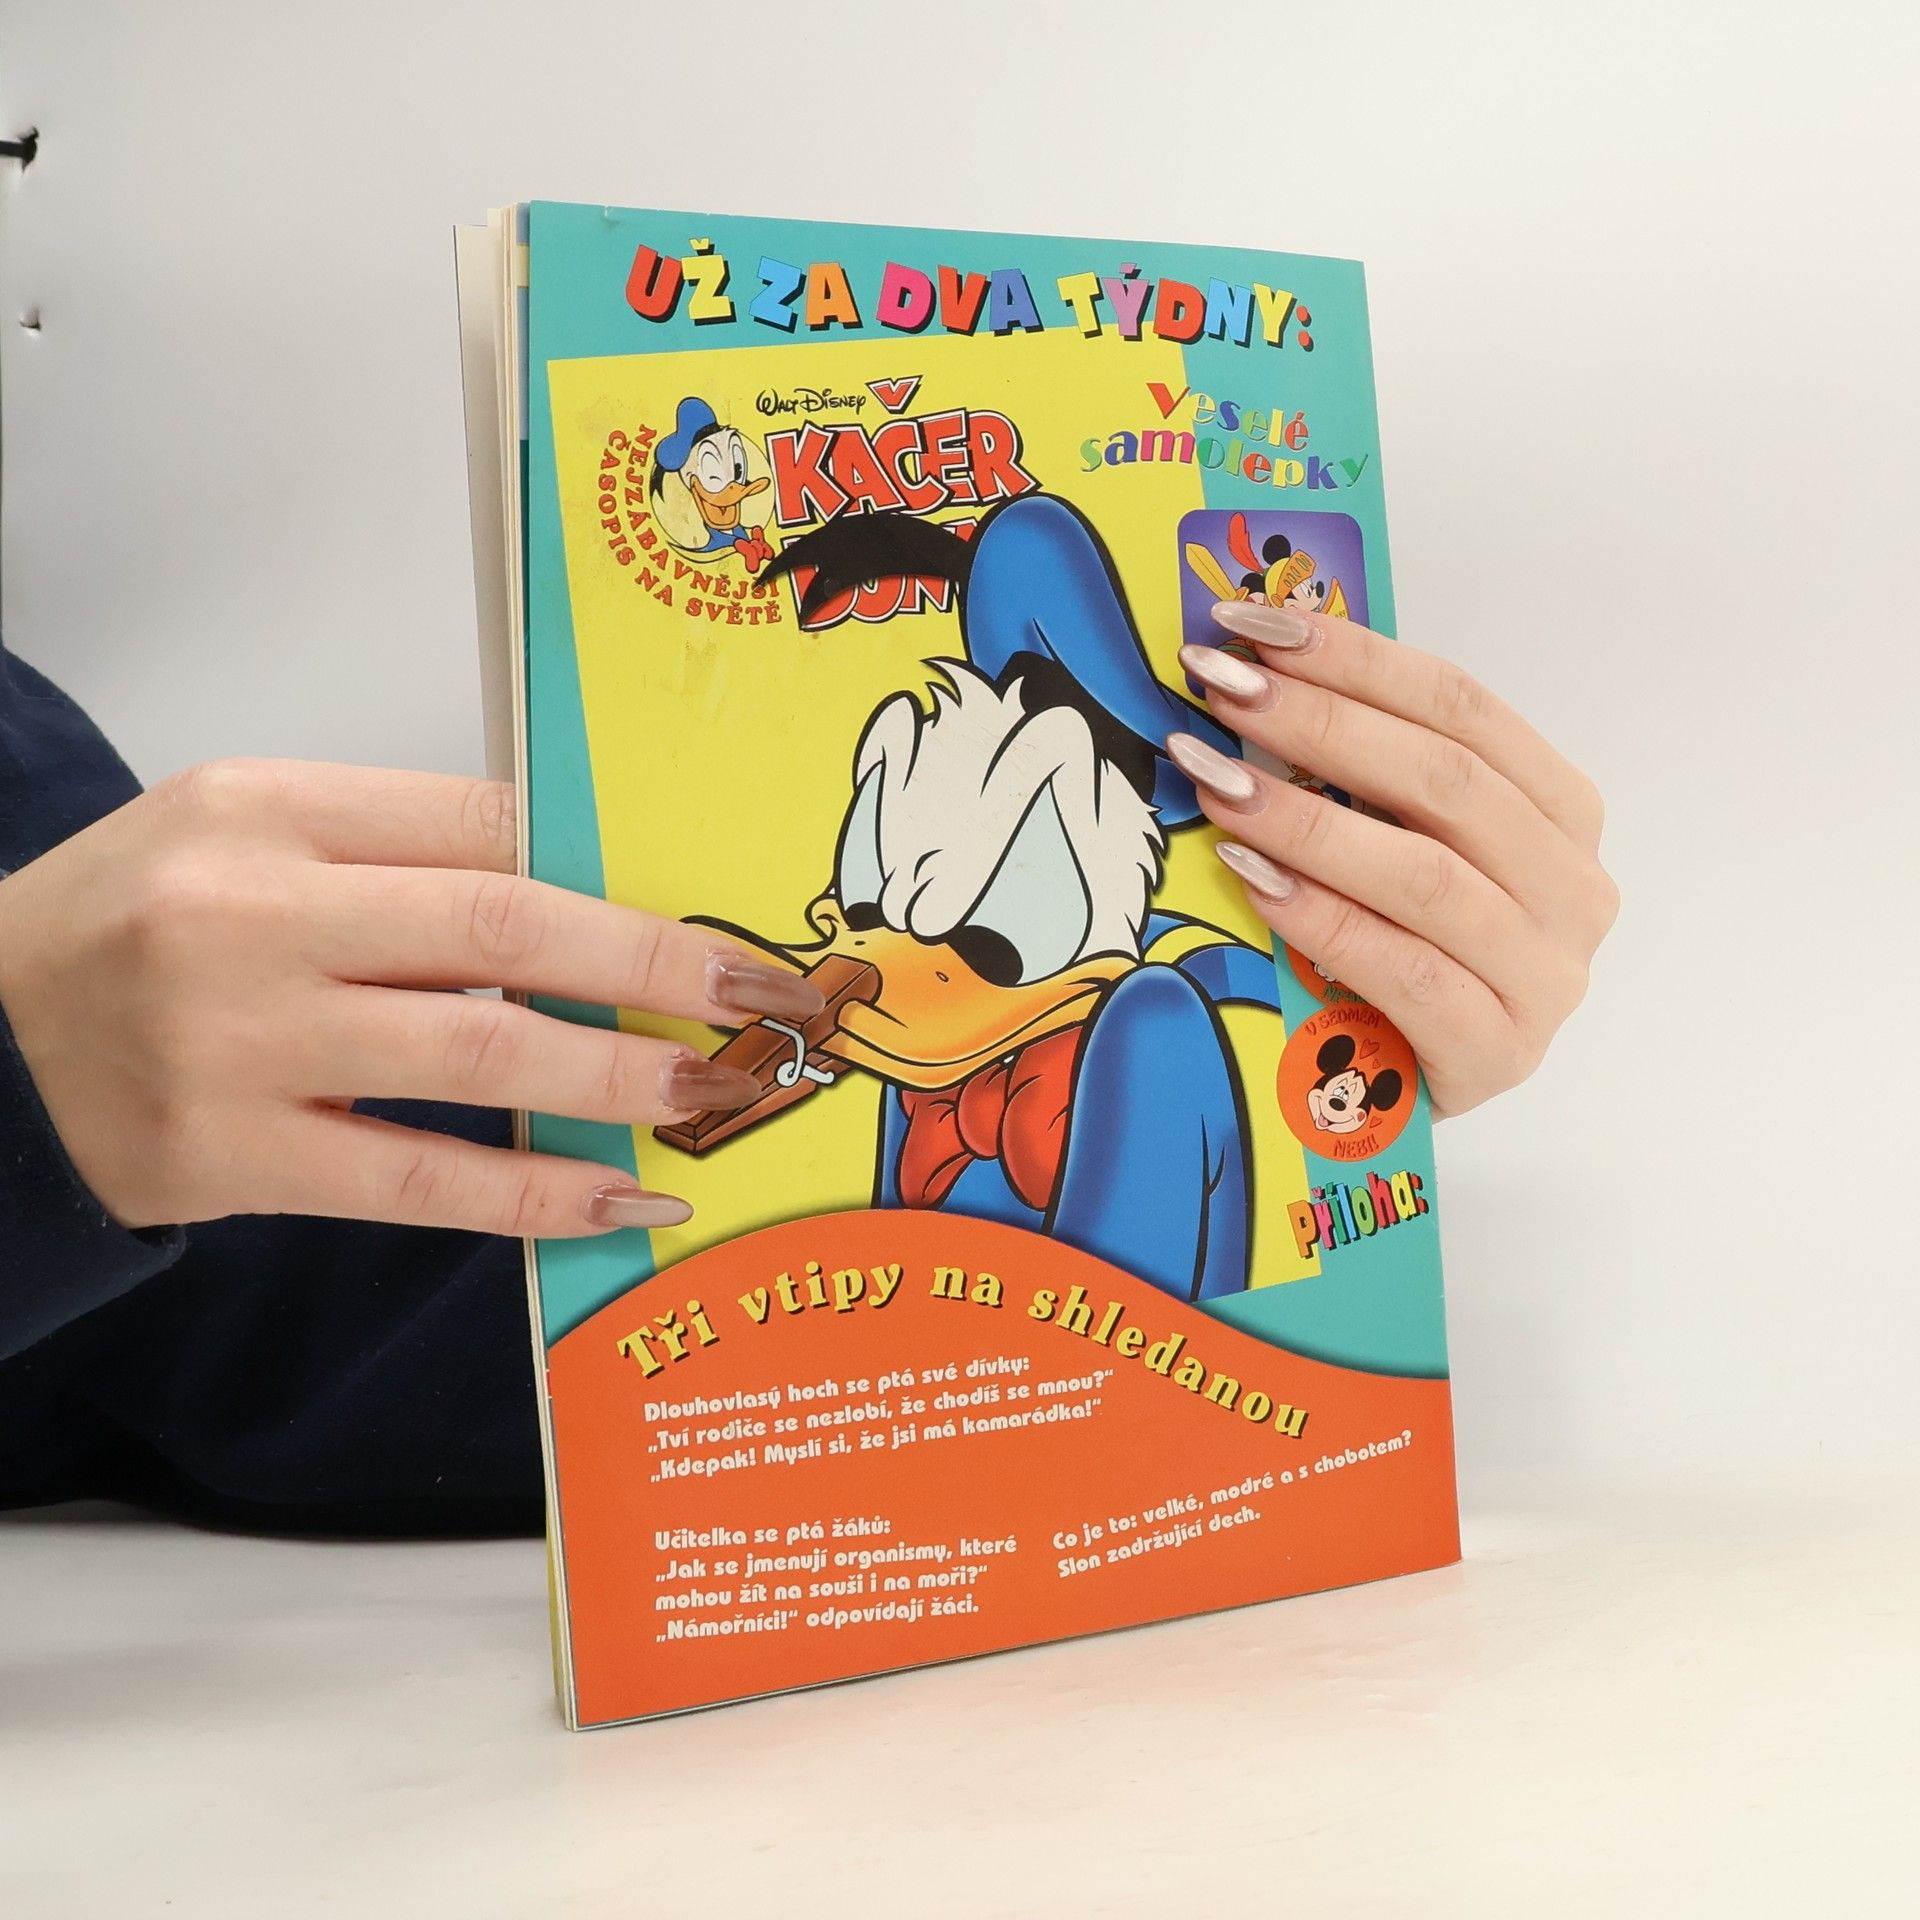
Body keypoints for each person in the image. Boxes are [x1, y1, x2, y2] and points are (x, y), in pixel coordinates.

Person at [0, 600, 1616, 1531]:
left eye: (972, 942)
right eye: (866, 910)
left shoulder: (1128, 1042)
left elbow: (279, 1312)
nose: (889, 966)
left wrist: (1330, 1069)